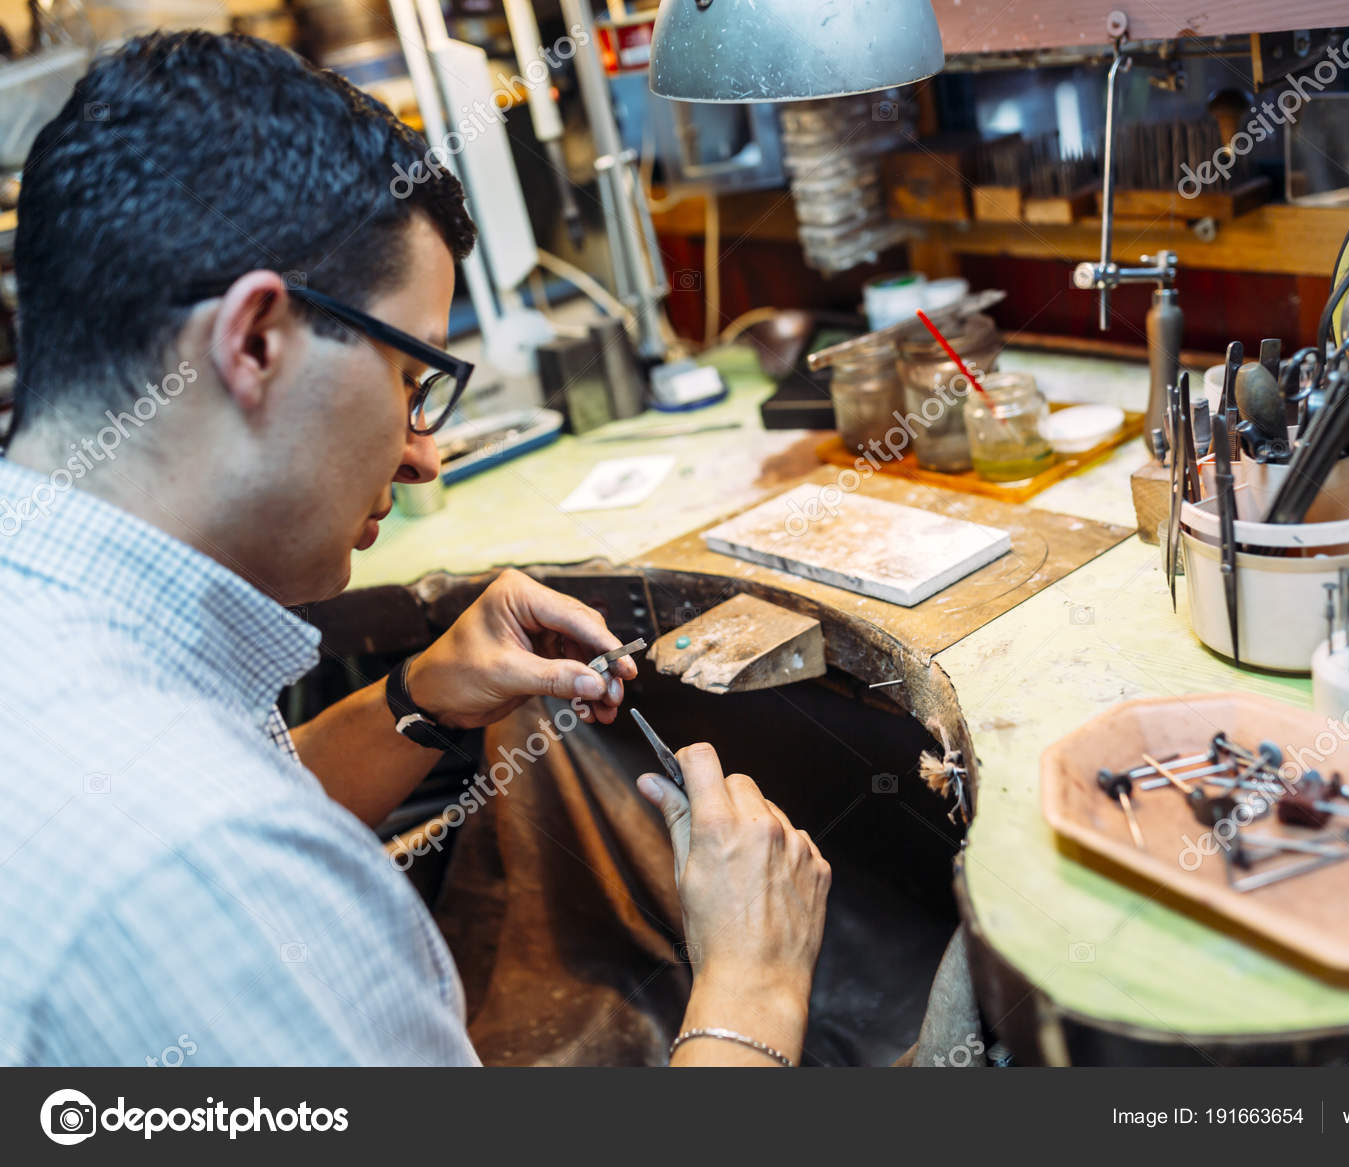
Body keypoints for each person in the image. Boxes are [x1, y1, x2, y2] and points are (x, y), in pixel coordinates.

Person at [0, 30, 828, 1068]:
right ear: (255, 341)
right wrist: (753, 981)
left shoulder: (67, 628)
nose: (424, 456)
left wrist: (419, 697)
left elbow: (253, 786)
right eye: (408, 382)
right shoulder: (211, 865)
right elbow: (231, 840)